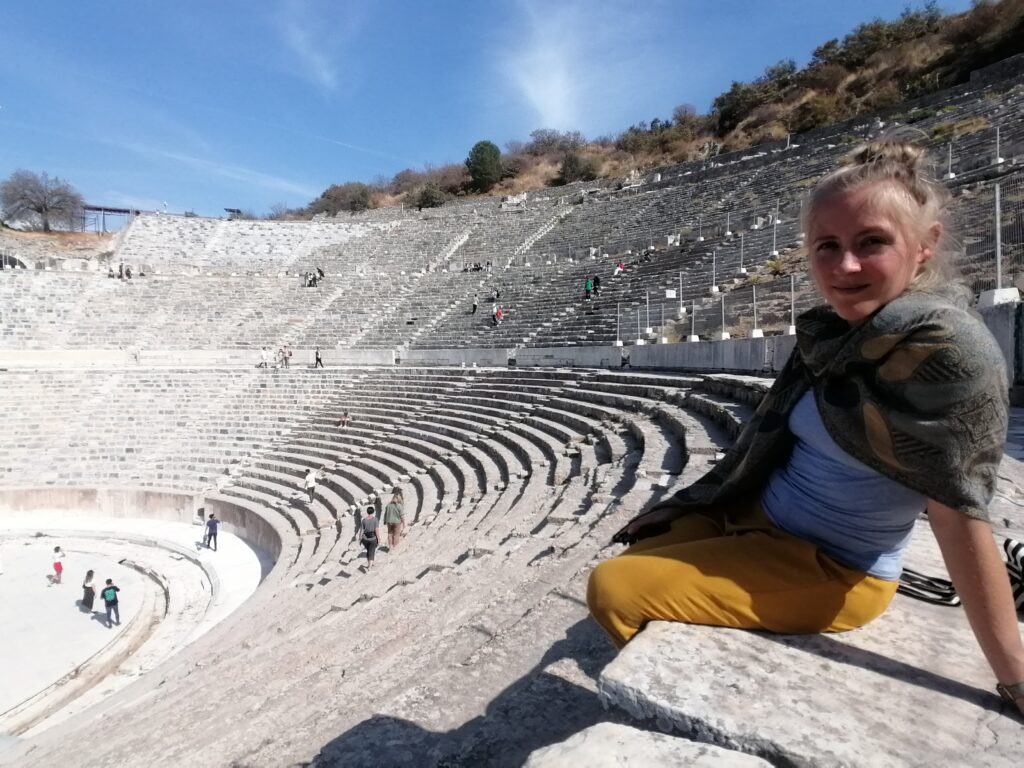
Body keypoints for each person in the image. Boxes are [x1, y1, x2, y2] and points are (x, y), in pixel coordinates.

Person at [587, 140, 1024, 717]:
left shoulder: (951, 355)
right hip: (763, 516)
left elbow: (959, 513)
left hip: (833, 566)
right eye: (828, 246)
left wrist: (1015, 675)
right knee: (649, 538)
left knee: (613, 588)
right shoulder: (834, 333)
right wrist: (701, 502)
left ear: (925, 245)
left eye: (872, 242)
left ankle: (678, 711)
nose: (845, 266)